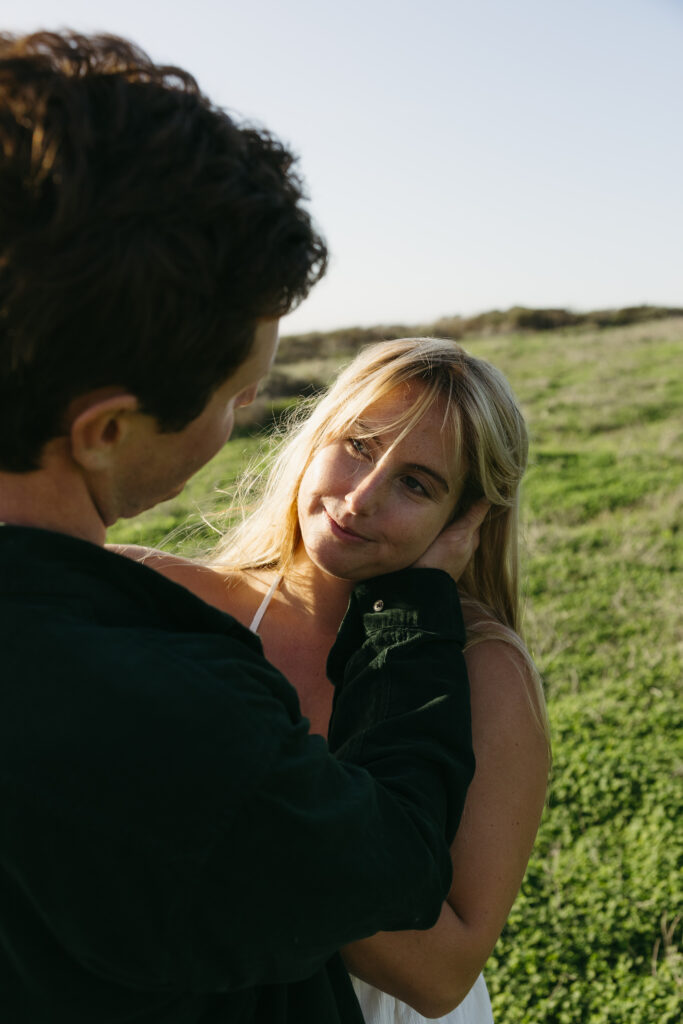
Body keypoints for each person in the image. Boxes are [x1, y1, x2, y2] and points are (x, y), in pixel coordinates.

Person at [0, 30, 488, 1024]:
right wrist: (408, 612)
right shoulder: (155, 709)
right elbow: (393, 863)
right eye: (237, 397)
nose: (235, 424)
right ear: (105, 429)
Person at [120, 337, 552, 1023]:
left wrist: (238, 817)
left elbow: (442, 974)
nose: (359, 497)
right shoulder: (152, 593)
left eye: (416, 483)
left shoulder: (483, 669)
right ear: (312, 439)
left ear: (465, 520)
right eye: (356, 444)